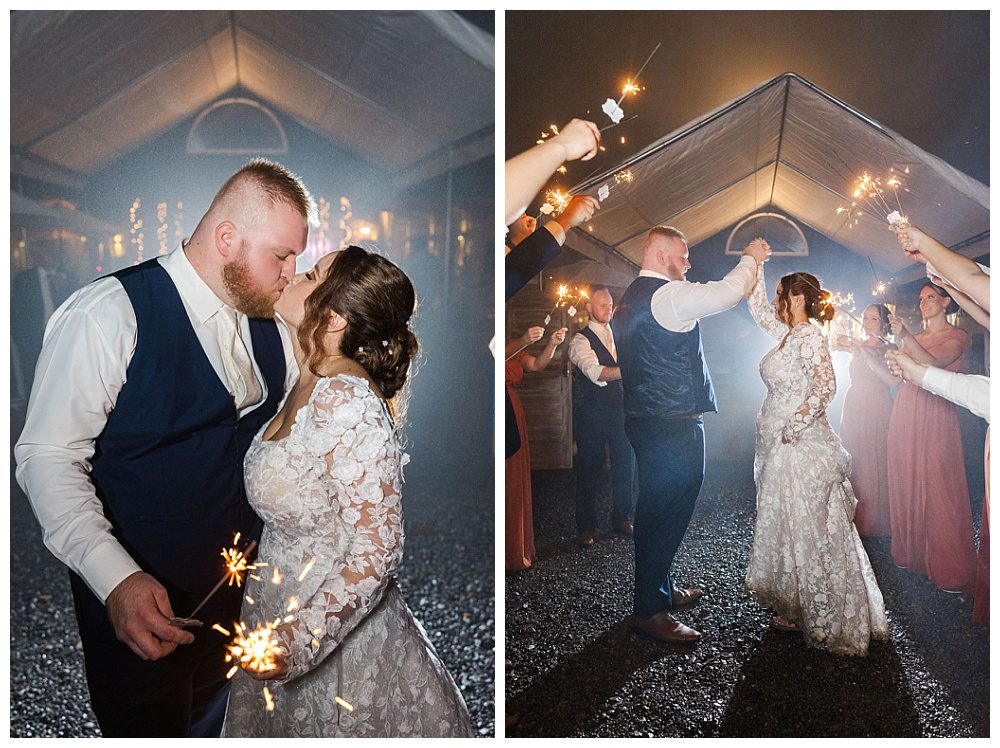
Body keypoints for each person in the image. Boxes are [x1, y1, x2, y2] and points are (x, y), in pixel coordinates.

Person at [14, 159, 314, 736]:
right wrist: (114, 578)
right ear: (227, 237)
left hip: (243, 609)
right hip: (139, 610)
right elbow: (47, 458)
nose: (289, 272)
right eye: (280, 256)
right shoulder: (106, 314)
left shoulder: (273, 322)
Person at [222, 246, 472, 737]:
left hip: (329, 637)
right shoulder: (305, 378)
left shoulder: (347, 401)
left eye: (310, 274)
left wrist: (297, 639)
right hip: (274, 603)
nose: (292, 274)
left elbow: (377, 550)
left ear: (333, 317)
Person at [611, 226, 771, 644]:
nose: (688, 263)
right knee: (664, 513)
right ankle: (649, 609)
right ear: (663, 255)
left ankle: (659, 590)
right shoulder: (668, 295)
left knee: (657, 510)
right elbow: (726, 292)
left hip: (646, 419)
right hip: (672, 423)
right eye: (683, 256)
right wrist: (751, 256)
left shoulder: (629, 299)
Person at [744, 261, 888, 655]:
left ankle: (827, 610)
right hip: (778, 443)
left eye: (780, 292)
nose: (776, 299)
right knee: (789, 523)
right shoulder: (790, 335)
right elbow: (757, 311)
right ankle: (797, 605)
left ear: (795, 297)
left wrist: (795, 425)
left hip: (798, 444)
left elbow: (826, 385)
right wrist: (754, 267)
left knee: (812, 525)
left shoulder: (808, 336)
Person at [887, 283, 977, 592]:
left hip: (937, 411)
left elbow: (934, 366)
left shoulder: (958, 337)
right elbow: (903, 371)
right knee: (909, 477)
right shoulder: (916, 338)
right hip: (908, 407)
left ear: (946, 301)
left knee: (940, 482)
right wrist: (895, 362)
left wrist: (906, 338)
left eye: (930, 297)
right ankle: (916, 555)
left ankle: (949, 566)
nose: (923, 303)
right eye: (921, 298)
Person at [567, 285, 635, 546]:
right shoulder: (580, 341)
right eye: (602, 305)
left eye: (610, 305)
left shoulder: (620, 334)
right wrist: (630, 369)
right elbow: (596, 373)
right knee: (589, 468)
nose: (608, 309)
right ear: (589, 308)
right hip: (592, 413)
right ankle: (585, 527)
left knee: (625, 465)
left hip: (622, 410)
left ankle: (622, 517)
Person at [506, 325, 567, 570]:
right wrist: (522, 338)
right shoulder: (497, 343)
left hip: (511, 409)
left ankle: (512, 550)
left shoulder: (513, 344)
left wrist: (552, 344)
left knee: (512, 479)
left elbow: (537, 365)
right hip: (493, 406)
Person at [836, 304, 898, 537]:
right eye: (865, 317)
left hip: (875, 403)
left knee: (874, 455)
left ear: (883, 323)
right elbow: (836, 341)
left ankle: (875, 520)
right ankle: (853, 515)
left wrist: (867, 356)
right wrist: (841, 326)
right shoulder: (858, 345)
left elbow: (892, 382)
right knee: (854, 455)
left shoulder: (888, 348)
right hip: (853, 403)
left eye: (873, 318)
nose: (867, 322)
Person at [11, 238, 78, 405]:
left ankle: (59, 404)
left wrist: (65, 287)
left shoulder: (67, 276)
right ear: (37, 256)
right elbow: (18, 309)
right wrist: (21, 338)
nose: (52, 256)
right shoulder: (25, 278)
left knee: (60, 371)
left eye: (54, 252)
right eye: (47, 252)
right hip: (33, 337)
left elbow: (79, 301)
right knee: (33, 373)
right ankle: (34, 408)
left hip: (61, 335)